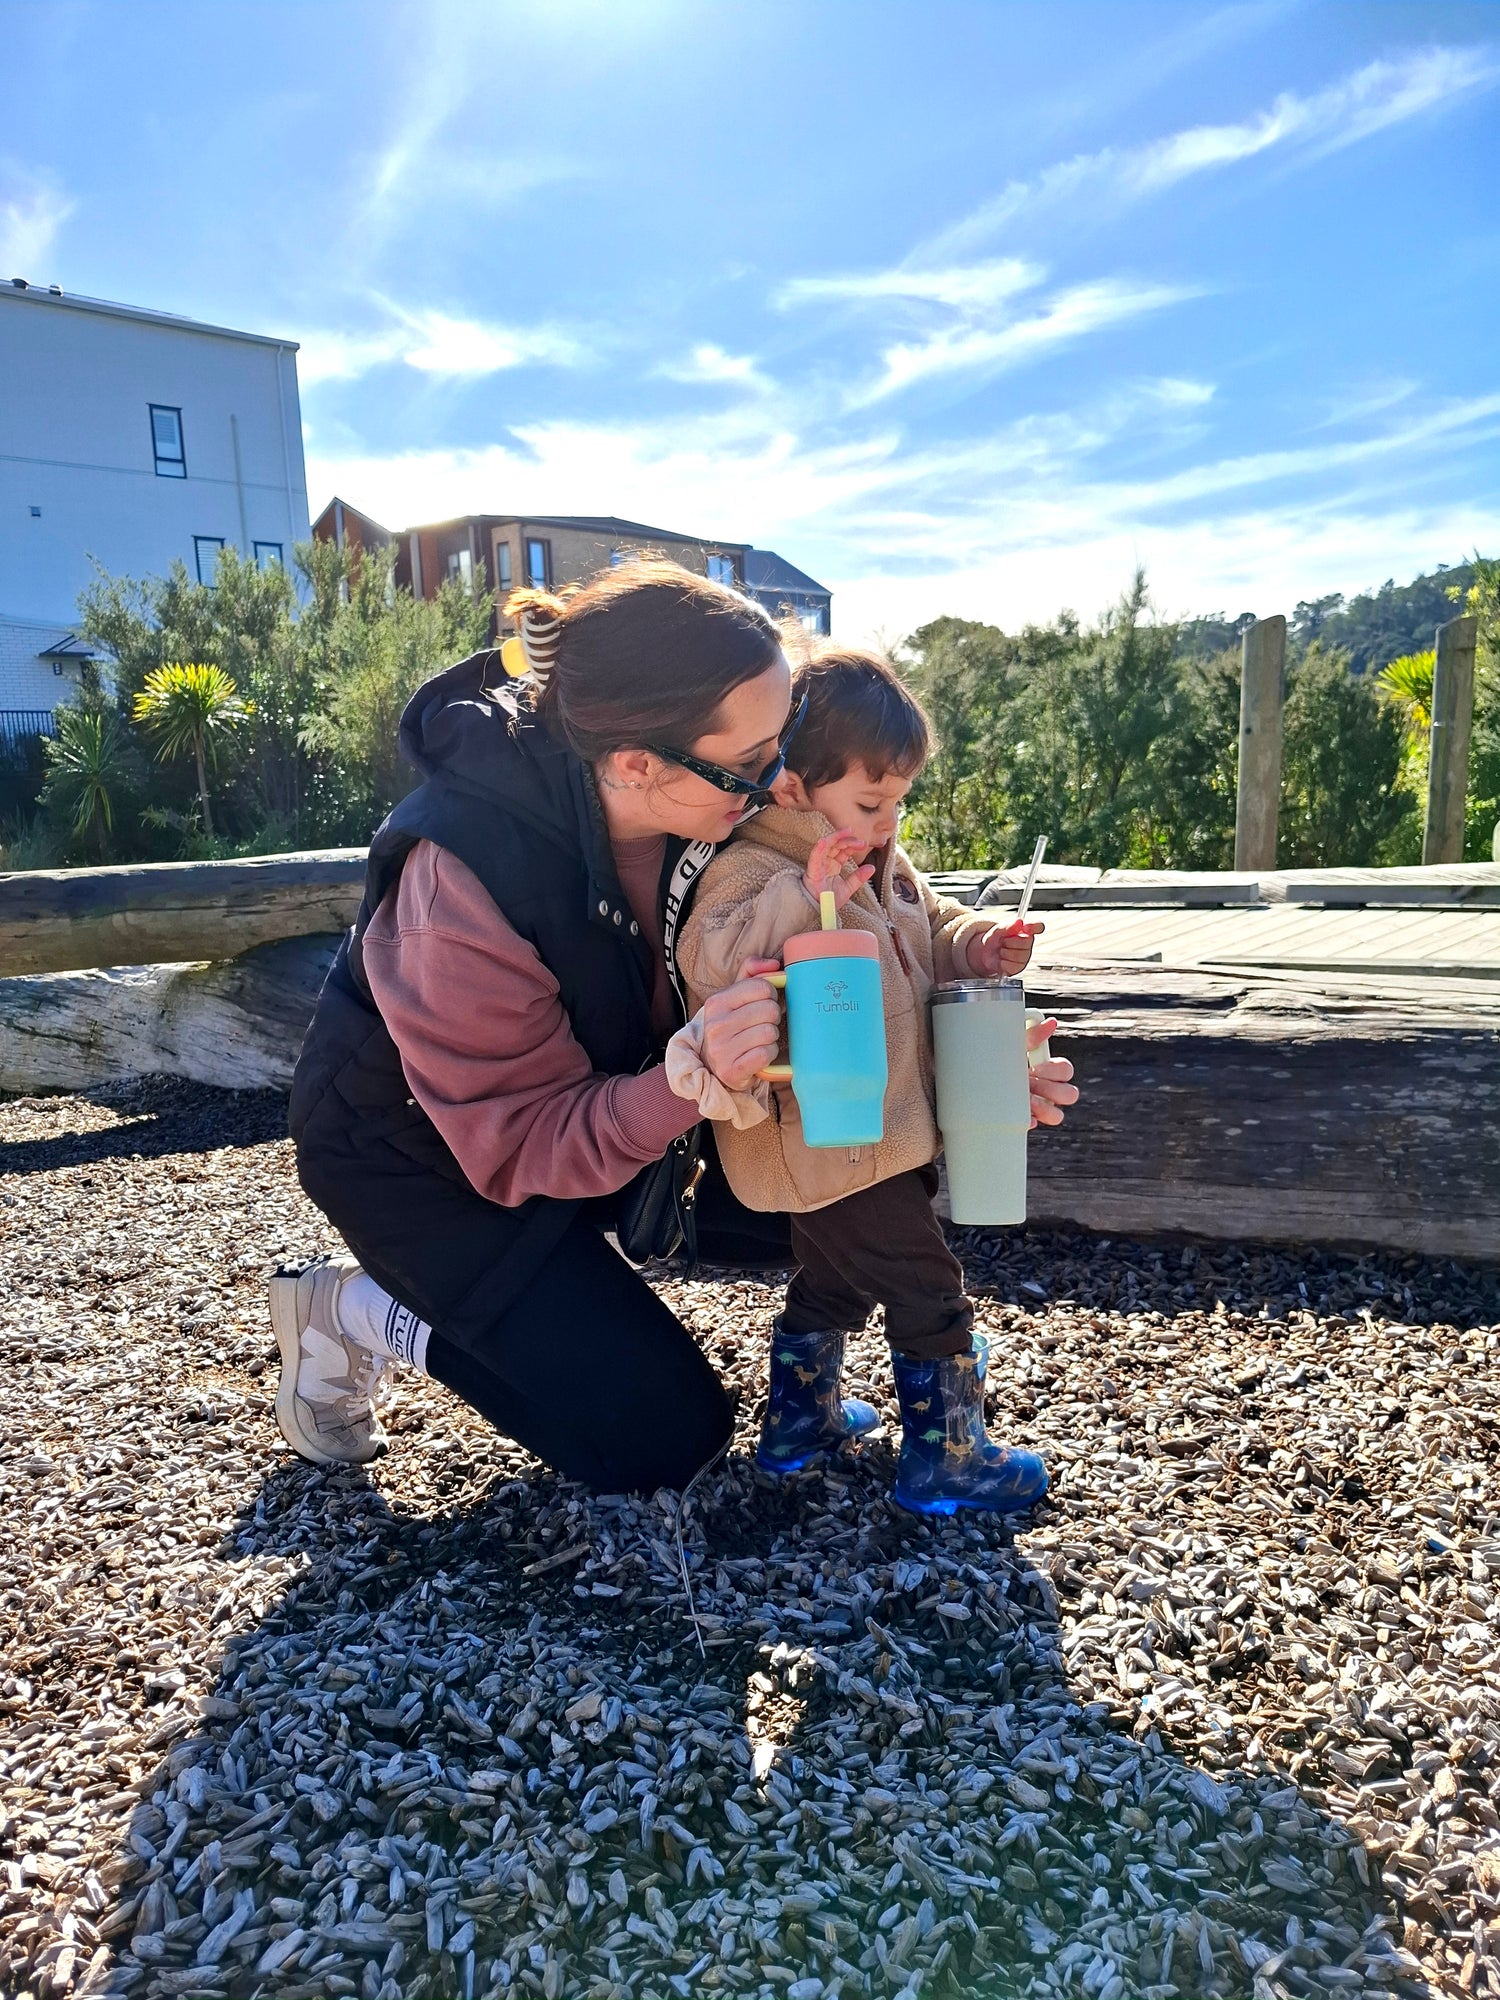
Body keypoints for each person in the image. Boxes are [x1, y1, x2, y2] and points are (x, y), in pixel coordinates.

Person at [273, 562, 804, 1493]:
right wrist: (686, 1082)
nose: (780, 780)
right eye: (752, 763)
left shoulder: (700, 799)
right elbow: (521, 1142)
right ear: (636, 764)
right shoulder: (462, 878)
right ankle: (353, 1308)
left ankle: (569, 1279)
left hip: (595, 1087)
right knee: (664, 1439)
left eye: (782, 741)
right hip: (418, 1156)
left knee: (818, 1199)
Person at [676, 643, 1077, 1517]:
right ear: (790, 786)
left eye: (899, 800)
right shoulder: (754, 867)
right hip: (825, 1139)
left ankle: (799, 1422)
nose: (889, 820)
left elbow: (931, 927)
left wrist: (980, 946)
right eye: (869, 801)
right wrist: (803, 891)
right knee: (928, 1288)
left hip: (885, 1132)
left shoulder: (886, 868)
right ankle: (947, 1459)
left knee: (836, 1280)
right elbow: (713, 953)